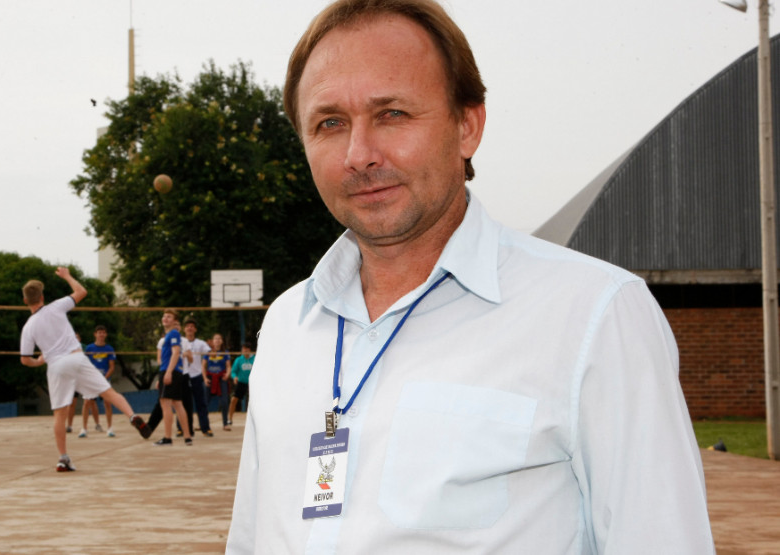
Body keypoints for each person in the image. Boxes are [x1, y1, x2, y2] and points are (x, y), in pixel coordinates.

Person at [226, 1, 715, 553]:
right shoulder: (287, 326)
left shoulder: (595, 315)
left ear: (467, 126)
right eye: (330, 123)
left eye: (392, 114)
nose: (359, 155)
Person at [19, 267, 151, 471]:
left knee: (60, 415)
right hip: (76, 357)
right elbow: (81, 292)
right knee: (109, 393)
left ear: (25, 301)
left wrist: (38, 361)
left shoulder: (28, 326)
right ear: (42, 297)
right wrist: (67, 276)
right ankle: (132, 416)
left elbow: (25, 360)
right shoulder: (56, 306)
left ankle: (63, 458)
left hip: (56, 365)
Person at [153, 309, 193, 446]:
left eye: (169, 317)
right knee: (177, 403)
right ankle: (187, 437)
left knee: (165, 403)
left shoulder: (173, 333)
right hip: (173, 371)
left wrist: (168, 372)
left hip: (171, 370)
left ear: (175, 321)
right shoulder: (169, 335)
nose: (165, 318)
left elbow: (176, 353)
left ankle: (167, 438)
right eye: (164, 316)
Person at [180, 317, 212, 437]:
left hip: (197, 376)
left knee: (201, 403)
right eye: (188, 326)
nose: (190, 328)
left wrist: (212, 349)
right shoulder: (180, 342)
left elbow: (209, 353)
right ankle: (182, 428)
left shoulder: (201, 343)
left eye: (192, 326)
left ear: (195, 329)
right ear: (184, 329)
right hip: (183, 375)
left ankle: (205, 428)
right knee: (182, 404)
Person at [82, 325, 116, 437]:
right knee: (87, 402)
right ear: (95, 334)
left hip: (105, 379)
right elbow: (85, 364)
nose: (101, 334)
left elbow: (112, 367)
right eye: (99, 332)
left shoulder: (109, 349)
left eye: (103, 332)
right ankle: (84, 429)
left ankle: (110, 428)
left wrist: (104, 378)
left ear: (106, 335)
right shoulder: (89, 348)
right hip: (91, 379)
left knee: (107, 403)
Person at [202, 333, 231, 431]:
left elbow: (228, 366)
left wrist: (227, 374)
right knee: (205, 402)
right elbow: (203, 366)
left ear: (221, 341)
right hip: (210, 378)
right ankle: (203, 423)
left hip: (221, 378)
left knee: (224, 402)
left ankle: (225, 423)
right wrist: (205, 378)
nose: (217, 340)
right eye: (215, 338)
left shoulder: (225, 353)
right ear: (212, 341)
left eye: (219, 338)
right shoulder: (208, 352)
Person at [227, 340, 254, 428]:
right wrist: (234, 377)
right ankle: (229, 418)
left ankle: (254, 420)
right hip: (241, 382)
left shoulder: (255, 359)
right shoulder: (239, 360)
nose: (245, 350)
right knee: (234, 399)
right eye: (243, 349)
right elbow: (233, 371)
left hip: (252, 384)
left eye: (247, 349)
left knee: (254, 402)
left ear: (250, 350)